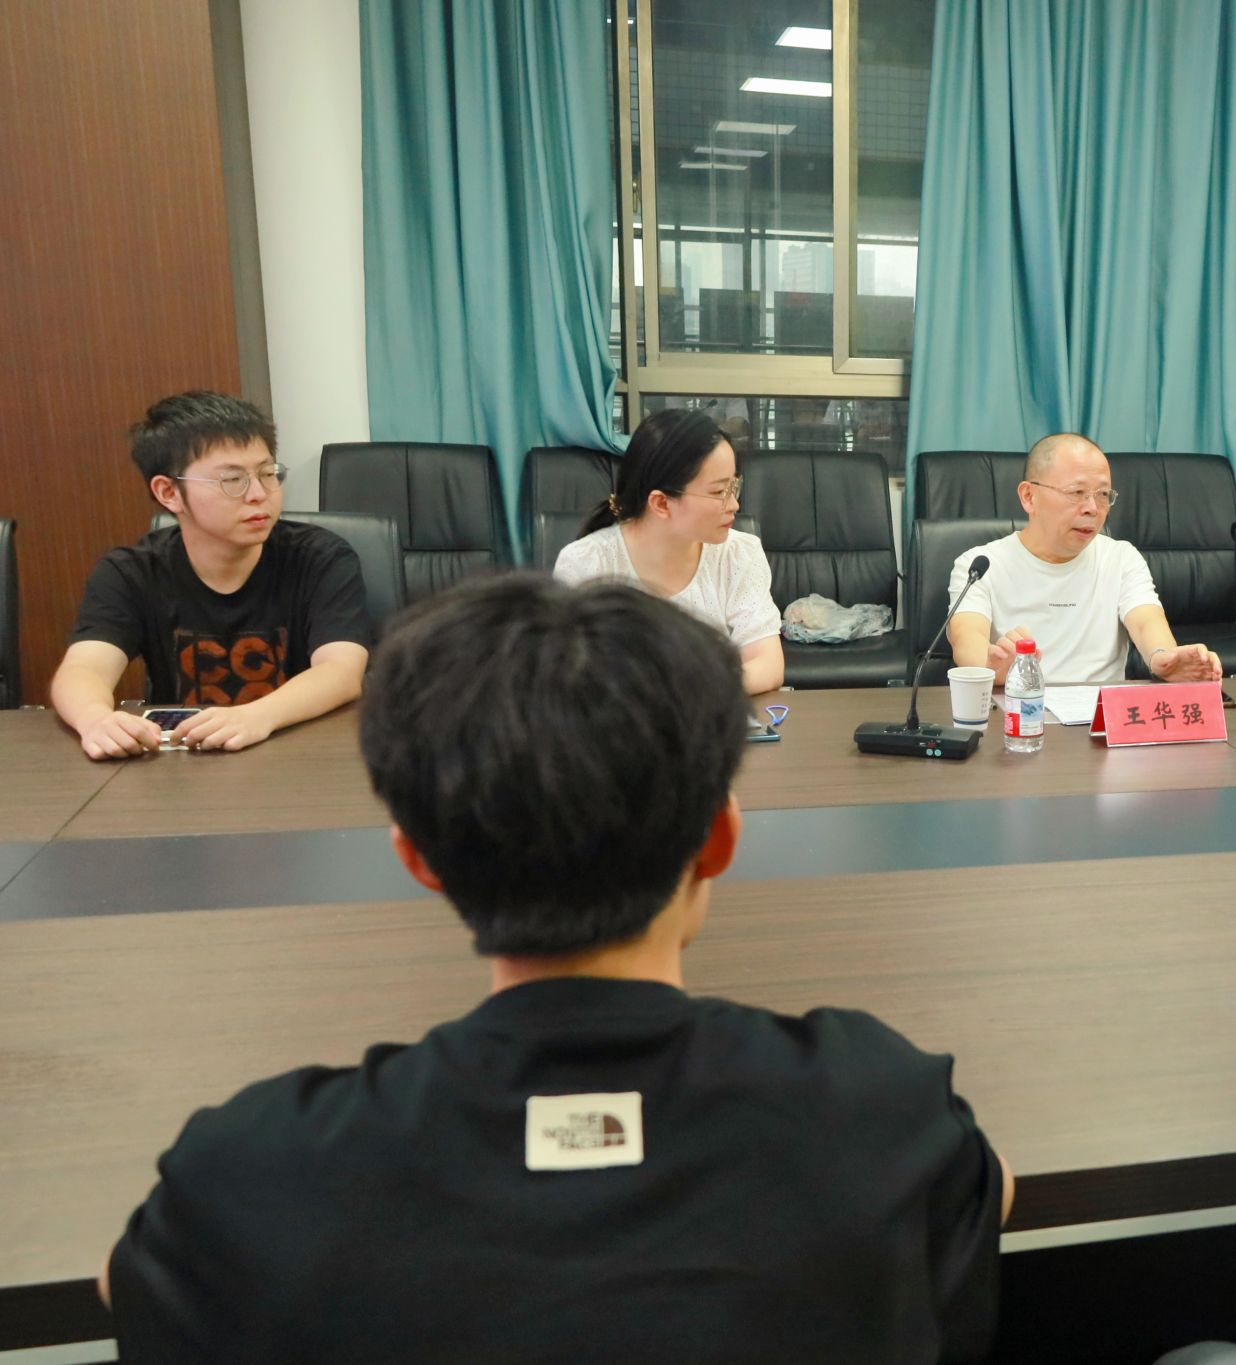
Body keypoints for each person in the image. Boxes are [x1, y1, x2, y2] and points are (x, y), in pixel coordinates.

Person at [101, 575, 1012, 1363]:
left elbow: (128, 1278)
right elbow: (987, 1188)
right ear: (719, 838)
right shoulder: (880, 1106)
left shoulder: (258, 1167)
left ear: (419, 857)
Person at [50, 391, 371, 759]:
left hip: (299, 753)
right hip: (183, 761)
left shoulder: (320, 557)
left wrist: (257, 716)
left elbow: (341, 671)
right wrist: (94, 719)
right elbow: (84, 668)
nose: (259, 494)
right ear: (169, 492)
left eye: (268, 473)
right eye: (232, 480)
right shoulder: (130, 572)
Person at [946, 433, 1222, 685]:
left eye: (1103, 495)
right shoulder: (979, 565)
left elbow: (1146, 621)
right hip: (1021, 710)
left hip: (1101, 715)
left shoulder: (1120, 557)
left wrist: (1164, 658)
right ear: (1029, 496)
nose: (1092, 508)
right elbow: (966, 639)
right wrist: (989, 667)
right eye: (1076, 493)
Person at [554, 407, 785, 694]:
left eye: (733, 486)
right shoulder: (586, 563)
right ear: (661, 503)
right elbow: (571, 681)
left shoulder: (738, 554)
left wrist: (682, 694)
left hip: (711, 716)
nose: (734, 505)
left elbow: (767, 664)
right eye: (718, 492)